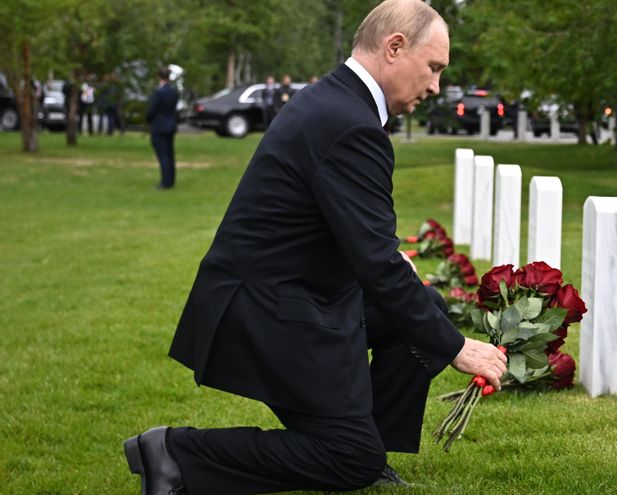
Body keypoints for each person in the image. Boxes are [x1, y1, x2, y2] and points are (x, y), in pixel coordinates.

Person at [123, 1, 507, 494]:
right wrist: (459, 347)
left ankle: (374, 447)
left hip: (284, 293)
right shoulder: (351, 124)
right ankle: (175, 453)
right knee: (348, 458)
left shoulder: (335, 101)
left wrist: (398, 272)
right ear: (395, 47)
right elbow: (378, 266)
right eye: (433, 68)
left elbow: (349, 237)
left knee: (421, 315)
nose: (434, 86)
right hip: (268, 311)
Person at [147, 67, 179, 190]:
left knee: (163, 155)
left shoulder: (159, 93)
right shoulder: (173, 91)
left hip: (159, 126)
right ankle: (171, 179)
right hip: (170, 124)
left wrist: (149, 120)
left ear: (159, 77)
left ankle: (165, 182)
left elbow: (152, 110)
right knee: (170, 154)